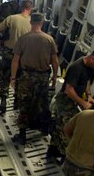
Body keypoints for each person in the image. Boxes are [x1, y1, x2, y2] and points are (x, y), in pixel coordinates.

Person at [47, 48, 94, 158]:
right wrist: (83, 104)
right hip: (65, 101)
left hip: (74, 101)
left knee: (60, 127)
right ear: (92, 58)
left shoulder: (90, 66)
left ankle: (52, 152)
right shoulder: (77, 67)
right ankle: (65, 156)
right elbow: (68, 90)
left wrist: (88, 94)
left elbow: (87, 80)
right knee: (67, 129)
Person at [10, 12, 59, 145]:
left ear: (31, 22)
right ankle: (43, 128)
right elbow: (55, 61)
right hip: (43, 76)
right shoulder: (49, 40)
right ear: (42, 23)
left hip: (27, 77)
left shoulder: (23, 39)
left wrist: (13, 78)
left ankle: (22, 135)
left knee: (24, 103)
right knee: (42, 102)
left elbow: (16, 60)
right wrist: (54, 76)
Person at [0, 0, 33, 113]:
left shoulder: (11, 18)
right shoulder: (32, 23)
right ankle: (16, 101)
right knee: (20, 78)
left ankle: (4, 102)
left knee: (5, 77)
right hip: (24, 56)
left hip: (9, 53)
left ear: (20, 7)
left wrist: (1, 40)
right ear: (31, 9)